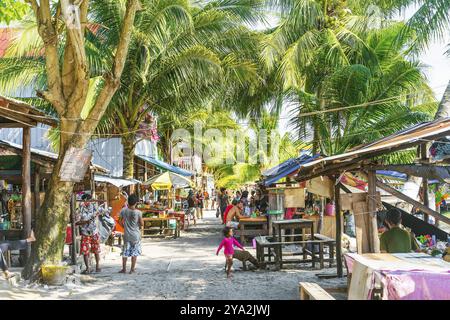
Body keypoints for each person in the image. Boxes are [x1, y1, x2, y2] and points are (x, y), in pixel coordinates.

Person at [118, 194, 143, 274]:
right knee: (134, 253)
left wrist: (124, 226)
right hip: (135, 235)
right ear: (136, 203)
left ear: (128, 201)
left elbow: (119, 221)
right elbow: (141, 224)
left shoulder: (123, 210)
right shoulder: (138, 212)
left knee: (125, 252)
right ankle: (132, 269)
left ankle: (124, 269)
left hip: (127, 235)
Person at [76, 193, 101, 274]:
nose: (88, 202)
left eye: (89, 201)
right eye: (86, 201)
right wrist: (85, 222)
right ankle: (88, 268)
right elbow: (76, 222)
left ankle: (97, 266)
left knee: (96, 250)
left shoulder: (94, 207)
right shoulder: (80, 209)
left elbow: (99, 213)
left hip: (94, 231)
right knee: (85, 251)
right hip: (85, 232)